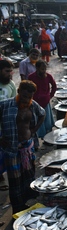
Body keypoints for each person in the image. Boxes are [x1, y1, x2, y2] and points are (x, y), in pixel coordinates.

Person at [0, 80, 45, 213]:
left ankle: (27, 204)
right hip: (11, 149)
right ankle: (17, 209)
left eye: (30, 97)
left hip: (27, 147)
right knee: (15, 181)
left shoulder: (33, 105)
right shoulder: (5, 105)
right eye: (25, 96)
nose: (27, 99)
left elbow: (43, 114)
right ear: (19, 91)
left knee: (28, 176)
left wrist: (33, 130)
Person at [28, 60, 56, 144]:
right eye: (42, 69)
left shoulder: (48, 76)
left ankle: (49, 140)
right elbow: (28, 88)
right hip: (35, 103)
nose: (44, 71)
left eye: (45, 69)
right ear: (37, 68)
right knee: (36, 122)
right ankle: (37, 141)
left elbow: (54, 86)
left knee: (48, 122)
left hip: (46, 102)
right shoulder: (31, 77)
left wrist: (50, 96)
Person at [0, 60, 16, 191]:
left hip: (6, 124)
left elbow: (15, 104)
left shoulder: (11, 85)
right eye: (6, 71)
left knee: (5, 152)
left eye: (10, 71)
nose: (9, 74)